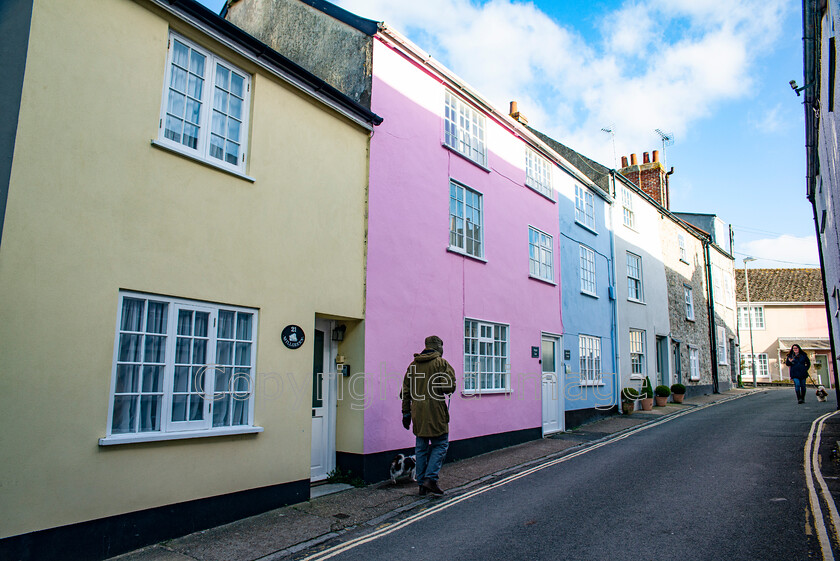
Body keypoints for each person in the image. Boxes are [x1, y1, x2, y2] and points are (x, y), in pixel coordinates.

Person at [401, 335, 456, 496]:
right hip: (436, 411)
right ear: (439, 347)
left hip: (417, 412)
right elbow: (449, 387)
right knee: (440, 444)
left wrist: (406, 413)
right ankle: (430, 479)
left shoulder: (412, 366)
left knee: (421, 448)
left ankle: (421, 484)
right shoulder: (441, 363)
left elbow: (406, 391)